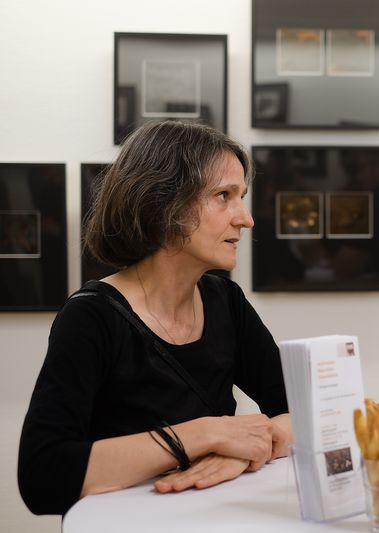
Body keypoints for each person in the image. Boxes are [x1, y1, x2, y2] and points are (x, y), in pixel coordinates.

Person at [18, 121, 292, 515]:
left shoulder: (225, 302)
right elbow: (43, 477)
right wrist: (204, 434)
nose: (245, 218)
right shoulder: (91, 317)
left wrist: (241, 451)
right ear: (164, 204)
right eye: (223, 196)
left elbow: (303, 411)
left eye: (241, 197)